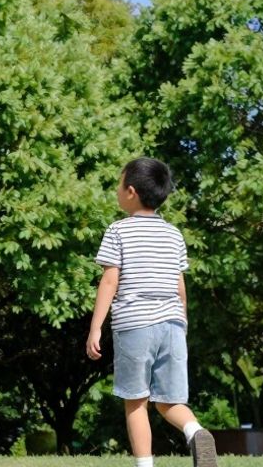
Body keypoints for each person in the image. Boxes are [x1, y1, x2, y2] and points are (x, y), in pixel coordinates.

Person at [86, 157, 216, 467]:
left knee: (136, 401)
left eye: (119, 185)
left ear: (130, 191)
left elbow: (109, 280)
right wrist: (181, 323)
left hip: (135, 324)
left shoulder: (118, 230)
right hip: (172, 324)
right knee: (169, 401)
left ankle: (145, 465)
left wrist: (95, 328)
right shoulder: (174, 235)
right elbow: (179, 285)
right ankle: (195, 430)